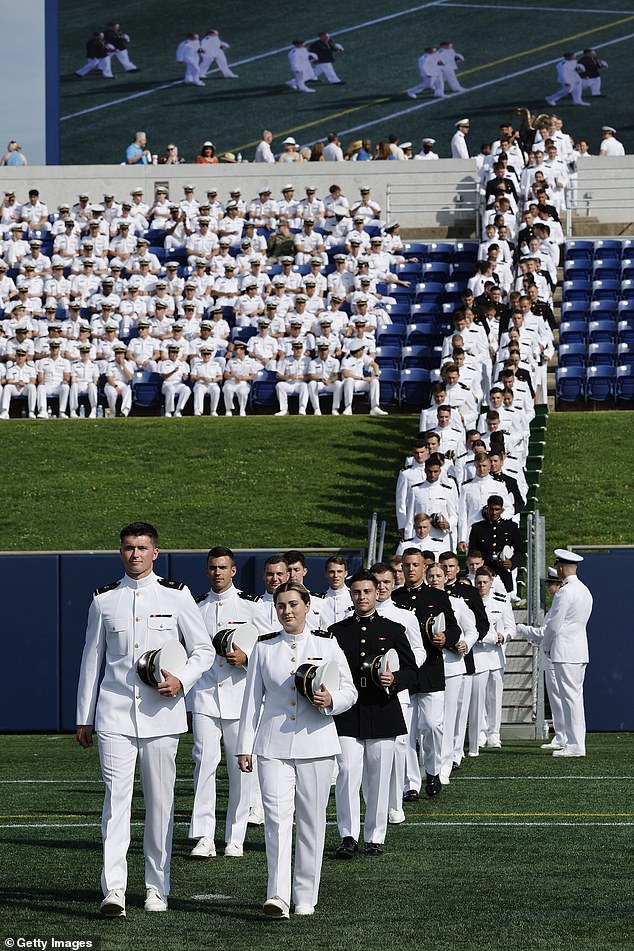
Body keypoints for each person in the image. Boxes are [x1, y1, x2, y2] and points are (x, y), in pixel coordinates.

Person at [76, 521, 214, 917]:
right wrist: (84, 716)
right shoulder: (104, 600)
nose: (134, 554)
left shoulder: (177, 596)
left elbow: (202, 650)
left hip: (162, 718)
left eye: (141, 547)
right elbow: (91, 661)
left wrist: (181, 680)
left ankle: (157, 888)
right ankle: (114, 889)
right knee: (115, 805)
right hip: (114, 716)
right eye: (127, 548)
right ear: (120, 552)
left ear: (155, 552)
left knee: (160, 806)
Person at [238, 581, 356, 918]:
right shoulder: (264, 648)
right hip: (272, 745)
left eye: (293, 604)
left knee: (311, 822)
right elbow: (251, 702)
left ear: (307, 606)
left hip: (316, 743)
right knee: (276, 819)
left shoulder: (327, 643)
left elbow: (349, 690)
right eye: (280, 606)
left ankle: (305, 896)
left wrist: (333, 700)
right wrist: (244, 746)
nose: (287, 611)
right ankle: (277, 894)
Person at [329, 570, 418, 857]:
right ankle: (348, 835)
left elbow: (411, 670)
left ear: (376, 593)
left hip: (382, 710)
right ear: (350, 594)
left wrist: (396, 681)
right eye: (356, 592)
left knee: (380, 778)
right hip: (348, 712)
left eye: (367, 591)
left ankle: (375, 836)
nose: (362, 597)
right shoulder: (336, 632)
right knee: (346, 775)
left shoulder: (393, 629)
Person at [187, 546, 268, 859]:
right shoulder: (196, 607)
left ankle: (235, 837)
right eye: (212, 568)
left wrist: (246, 658)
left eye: (223, 567)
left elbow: (267, 648)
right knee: (204, 765)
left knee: (241, 769)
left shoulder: (251, 606)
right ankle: (204, 836)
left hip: (241, 698)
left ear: (233, 570)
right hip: (206, 697)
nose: (217, 573)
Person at [534, 550, 592, 757]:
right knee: (574, 698)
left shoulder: (565, 592)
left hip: (565, 651)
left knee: (570, 699)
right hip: (579, 650)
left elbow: (554, 626)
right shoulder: (584, 590)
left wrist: (546, 646)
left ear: (560, 568)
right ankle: (576, 742)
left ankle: (575, 745)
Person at [517, 568, 567, 751]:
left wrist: (523, 629)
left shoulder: (559, 603)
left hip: (555, 655)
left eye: (552, 584)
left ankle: (564, 736)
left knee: (559, 698)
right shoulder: (556, 604)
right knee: (556, 699)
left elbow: (547, 632)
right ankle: (561, 735)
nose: (549, 588)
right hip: (552, 656)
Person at [468, 495, 526, 594]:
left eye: (497, 509)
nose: (494, 513)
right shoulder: (477, 528)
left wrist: (511, 562)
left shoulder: (511, 527)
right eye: (491, 509)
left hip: (503, 573)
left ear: (502, 510)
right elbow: (472, 552)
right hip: (484, 574)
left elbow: (520, 551)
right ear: (487, 509)